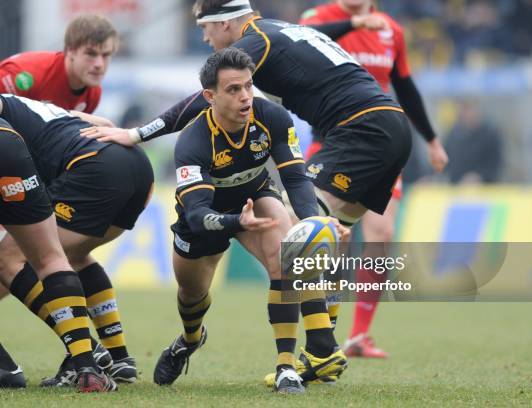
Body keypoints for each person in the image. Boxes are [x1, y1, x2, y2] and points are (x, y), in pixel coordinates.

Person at [82, 0, 412, 385]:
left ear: (224, 24)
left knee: (299, 237)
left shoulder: (255, 42)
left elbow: (200, 97)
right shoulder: (281, 31)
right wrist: (352, 21)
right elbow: (319, 41)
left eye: (206, 28)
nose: (206, 38)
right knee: (324, 236)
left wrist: (136, 133)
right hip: (391, 126)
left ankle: (320, 348)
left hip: (360, 130)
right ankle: (321, 350)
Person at [133, 48, 347, 393]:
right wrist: (236, 222)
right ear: (210, 96)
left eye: (247, 86)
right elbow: (199, 214)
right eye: (233, 89)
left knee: (286, 258)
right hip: (205, 218)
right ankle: (189, 340)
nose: (245, 96)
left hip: (255, 195)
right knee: (191, 295)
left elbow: (295, 179)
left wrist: (315, 222)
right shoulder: (192, 142)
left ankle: (286, 368)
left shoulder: (272, 117)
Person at [0, 83, 153, 386]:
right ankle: (120, 359)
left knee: (8, 259)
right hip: (135, 165)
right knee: (70, 256)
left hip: (93, 166)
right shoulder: (39, 112)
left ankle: (85, 354)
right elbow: (103, 124)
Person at [0, 13, 118, 339]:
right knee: (8, 263)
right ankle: (86, 349)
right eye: (92, 54)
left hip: (19, 179)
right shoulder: (25, 75)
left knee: (16, 266)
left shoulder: (91, 92)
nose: (99, 64)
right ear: (69, 51)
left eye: (106, 55)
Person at [299, 0, 449, 358]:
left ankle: (359, 335)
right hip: (332, 143)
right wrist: (353, 24)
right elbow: (297, 44)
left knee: (382, 234)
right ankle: (320, 329)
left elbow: (405, 85)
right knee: (328, 236)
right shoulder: (318, 19)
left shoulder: (391, 30)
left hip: (380, 148)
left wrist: (431, 139)